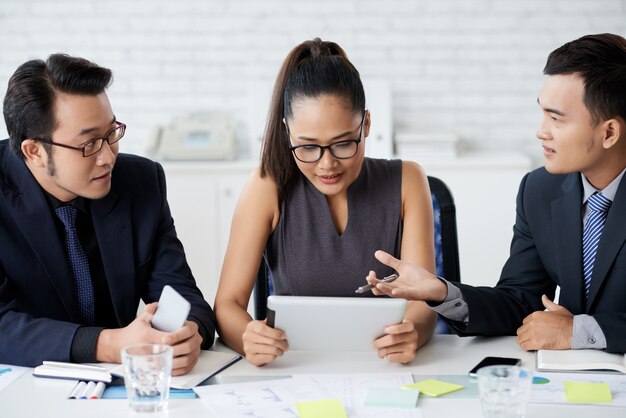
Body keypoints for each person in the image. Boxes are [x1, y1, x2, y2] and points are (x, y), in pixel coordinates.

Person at [367, 33, 626, 353]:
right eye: (542, 112)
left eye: (556, 118)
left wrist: (580, 331)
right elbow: (518, 300)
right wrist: (439, 291)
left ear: (609, 132)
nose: (540, 131)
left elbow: (577, 328)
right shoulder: (540, 190)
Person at [214, 38, 436, 366]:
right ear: (287, 131)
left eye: (343, 143)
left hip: (383, 366)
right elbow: (228, 304)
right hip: (293, 367)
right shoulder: (266, 186)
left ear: (367, 125)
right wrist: (248, 337)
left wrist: (412, 332)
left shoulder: (408, 181)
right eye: (307, 147)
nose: (326, 165)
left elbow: (423, 302)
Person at [0, 54, 216, 374]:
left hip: (125, 387)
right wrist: (109, 345)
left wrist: (187, 334)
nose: (107, 157)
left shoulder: (141, 182)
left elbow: (183, 295)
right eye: (89, 144)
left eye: (111, 133)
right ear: (34, 151)